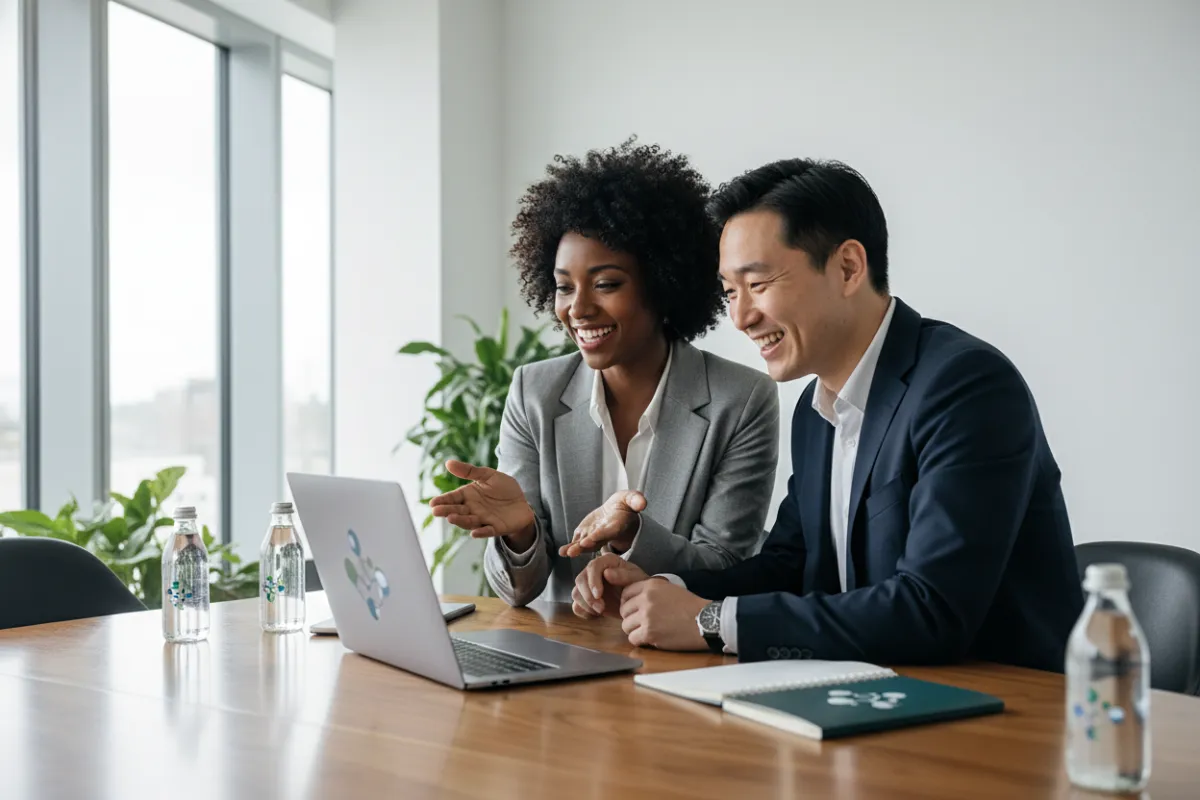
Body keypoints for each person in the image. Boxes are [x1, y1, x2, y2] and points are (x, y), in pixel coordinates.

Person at [574, 158, 1083, 672]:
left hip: (1002, 711)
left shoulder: (965, 387)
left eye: (759, 283)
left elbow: (932, 611)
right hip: (871, 695)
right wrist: (660, 589)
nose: (741, 317)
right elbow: (789, 566)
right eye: (730, 292)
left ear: (847, 268)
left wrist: (712, 622)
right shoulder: (815, 411)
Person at [430, 139, 779, 607]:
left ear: (662, 282)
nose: (578, 308)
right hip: (567, 656)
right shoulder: (534, 393)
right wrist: (521, 533)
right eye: (563, 287)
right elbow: (517, 592)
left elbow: (726, 567)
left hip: (680, 659)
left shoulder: (741, 399)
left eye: (606, 284)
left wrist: (633, 534)